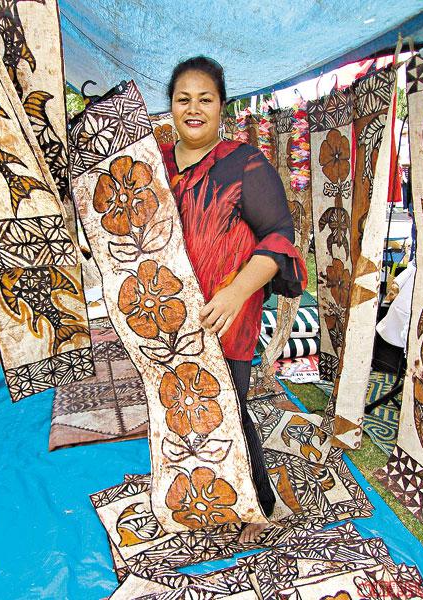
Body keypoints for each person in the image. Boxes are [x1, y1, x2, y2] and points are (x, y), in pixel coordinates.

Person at [160, 56, 307, 542]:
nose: (194, 108)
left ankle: (257, 503)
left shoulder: (244, 163)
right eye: (183, 99)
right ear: (171, 106)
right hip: (169, 315)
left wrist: (237, 291)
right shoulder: (156, 164)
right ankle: (205, 487)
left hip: (227, 314)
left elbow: (279, 237)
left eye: (205, 99)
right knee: (182, 409)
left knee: (230, 409)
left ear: (222, 105)